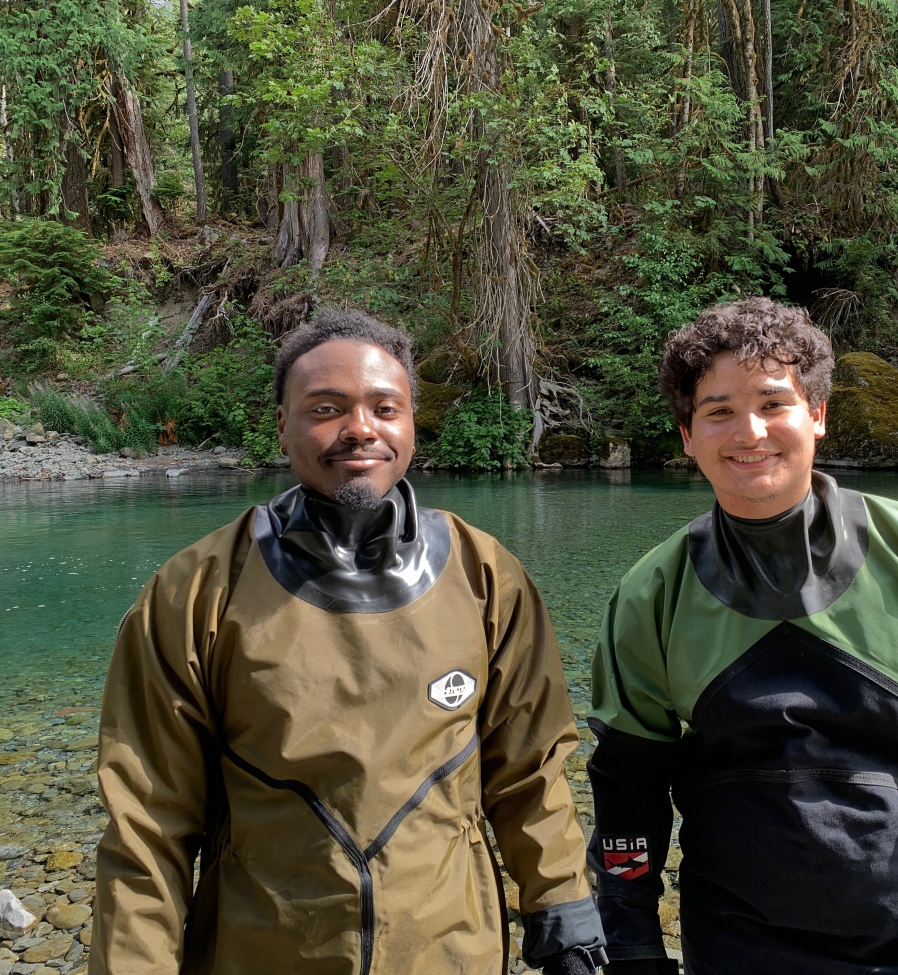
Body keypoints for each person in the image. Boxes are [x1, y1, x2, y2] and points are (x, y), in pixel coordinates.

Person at [586, 298, 898, 975]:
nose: (750, 431)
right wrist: (632, 949)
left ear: (818, 414)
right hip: (736, 953)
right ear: (687, 435)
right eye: (718, 411)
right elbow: (628, 793)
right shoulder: (652, 594)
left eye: (774, 403)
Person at [91, 308, 607, 975]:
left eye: (384, 408)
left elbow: (531, 770)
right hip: (260, 955)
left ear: (412, 422)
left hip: (451, 952)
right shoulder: (196, 591)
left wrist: (565, 916)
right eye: (327, 408)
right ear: (283, 424)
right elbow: (147, 821)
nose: (360, 428)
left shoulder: (486, 576)